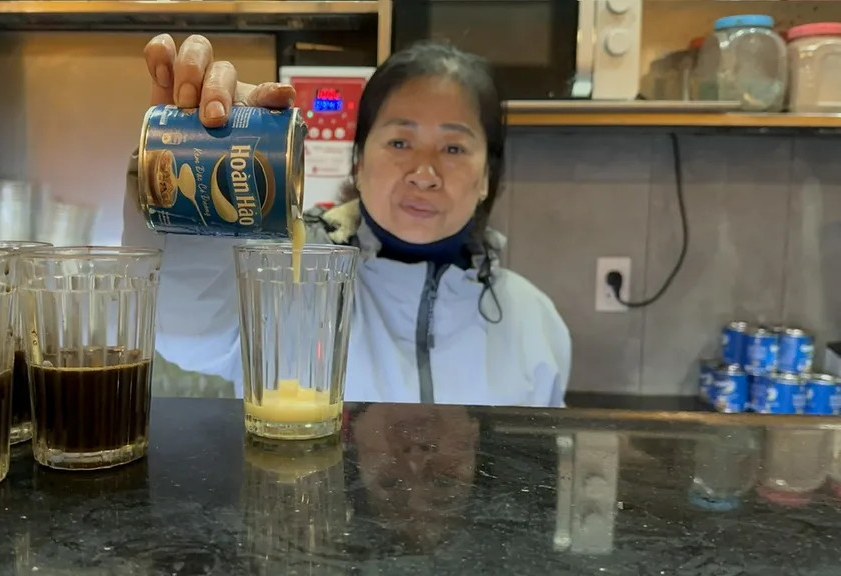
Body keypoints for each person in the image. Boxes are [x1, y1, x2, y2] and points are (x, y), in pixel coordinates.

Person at [123, 34, 571, 406]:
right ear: (358, 162)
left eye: (454, 148)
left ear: (487, 176)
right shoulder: (290, 276)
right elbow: (189, 338)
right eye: (400, 142)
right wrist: (188, 165)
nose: (424, 173)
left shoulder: (533, 323)